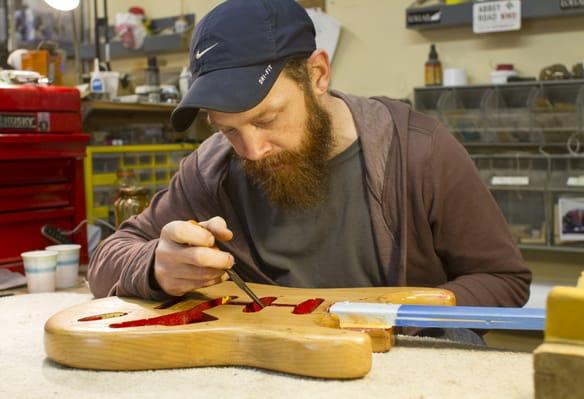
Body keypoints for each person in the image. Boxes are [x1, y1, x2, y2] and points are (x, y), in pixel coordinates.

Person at [88, 0, 531, 343]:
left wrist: (413, 314)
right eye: (228, 129)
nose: (253, 150)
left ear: (317, 74)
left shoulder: (419, 152)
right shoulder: (212, 169)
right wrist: (157, 266)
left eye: (266, 119)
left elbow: (504, 280)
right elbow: (109, 256)